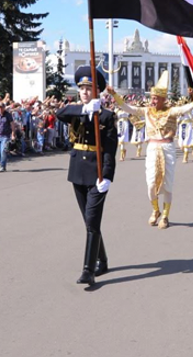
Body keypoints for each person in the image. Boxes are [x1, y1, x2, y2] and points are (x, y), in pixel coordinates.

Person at [107, 72, 193, 230]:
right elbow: (128, 108)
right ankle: (155, 210)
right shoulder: (147, 111)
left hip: (167, 148)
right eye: (152, 98)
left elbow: (185, 108)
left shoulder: (171, 111)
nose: (152, 101)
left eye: (156, 98)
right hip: (152, 148)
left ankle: (165, 215)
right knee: (151, 183)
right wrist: (114, 95)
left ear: (163, 99)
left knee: (167, 185)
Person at [56, 67, 117, 287]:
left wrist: (107, 176)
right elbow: (59, 114)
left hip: (97, 174)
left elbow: (110, 149)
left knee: (92, 222)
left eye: (89, 88)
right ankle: (103, 259)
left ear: (98, 91)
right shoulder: (75, 111)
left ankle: (88, 270)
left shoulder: (107, 117)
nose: (84, 91)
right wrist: (84, 110)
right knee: (89, 222)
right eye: (81, 88)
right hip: (77, 172)